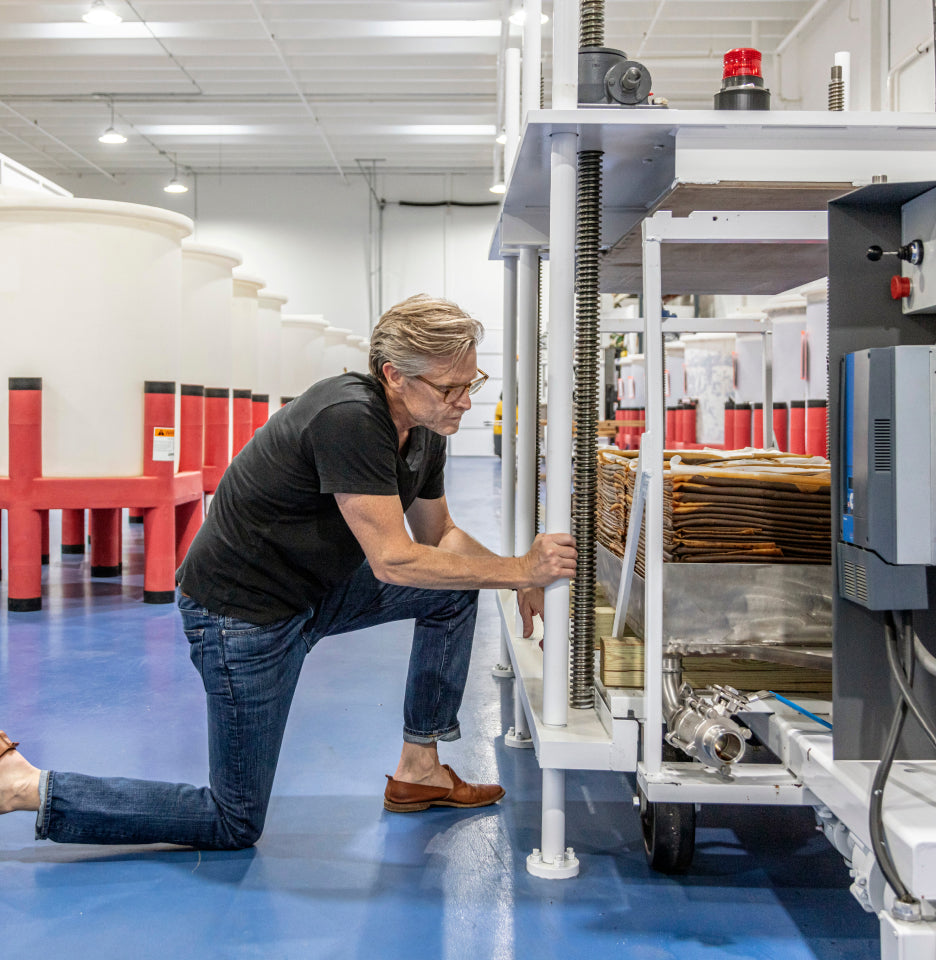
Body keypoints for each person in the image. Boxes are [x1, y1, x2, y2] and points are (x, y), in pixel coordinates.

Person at [0, 294, 577, 850]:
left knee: (452, 593)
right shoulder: (350, 416)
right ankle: (26, 786)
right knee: (232, 821)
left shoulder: (424, 429)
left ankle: (420, 767)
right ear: (394, 375)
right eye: (451, 388)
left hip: (314, 591)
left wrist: (515, 574)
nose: (466, 402)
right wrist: (517, 567)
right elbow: (394, 559)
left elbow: (439, 535)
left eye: (470, 384)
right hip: (242, 617)